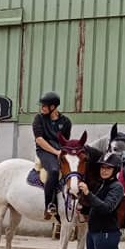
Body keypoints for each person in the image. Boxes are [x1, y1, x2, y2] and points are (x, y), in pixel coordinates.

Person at [32, 91, 72, 220]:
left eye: (44, 106)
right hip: (44, 151)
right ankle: (49, 205)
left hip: (60, 151)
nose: (42, 108)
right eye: (42, 106)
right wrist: (56, 152)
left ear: (53, 107)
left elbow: (65, 141)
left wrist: (64, 152)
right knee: (54, 170)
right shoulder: (38, 119)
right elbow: (39, 140)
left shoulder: (66, 122)